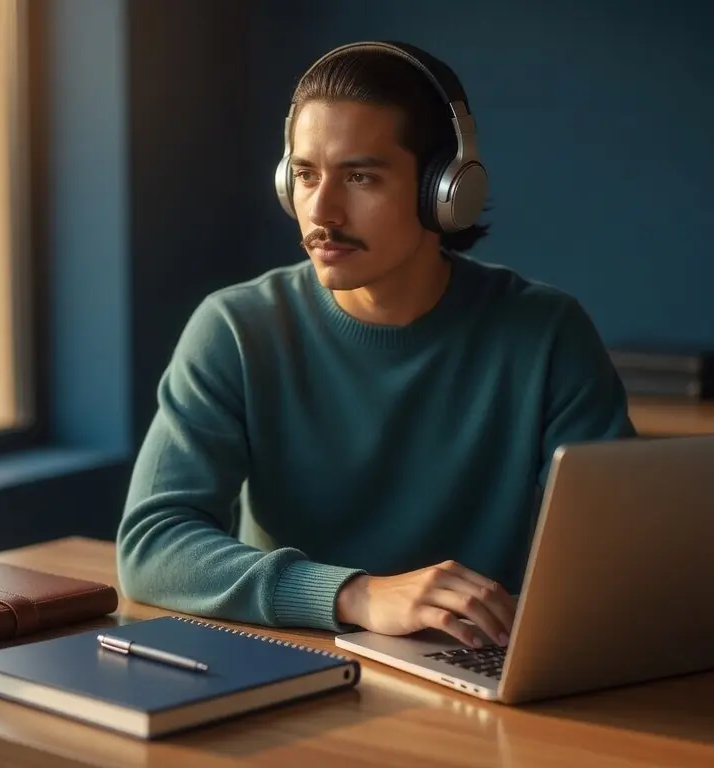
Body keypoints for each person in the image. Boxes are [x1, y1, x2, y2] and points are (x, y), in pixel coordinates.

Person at [116, 41, 634, 650]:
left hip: (473, 668)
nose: (322, 210)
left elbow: (617, 555)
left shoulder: (546, 333)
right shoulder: (236, 328)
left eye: (361, 176)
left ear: (443, 190)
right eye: (305, 174)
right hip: (290, 662)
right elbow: (152, 545)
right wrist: (355, 594)